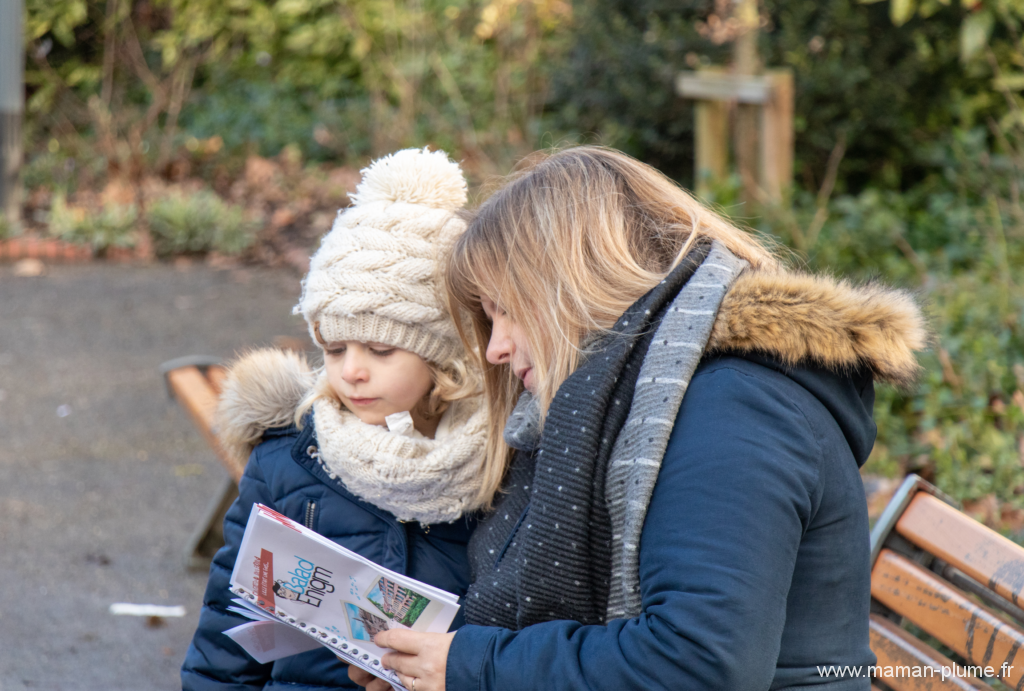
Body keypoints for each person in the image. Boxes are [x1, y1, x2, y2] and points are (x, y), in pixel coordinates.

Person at [348, 146, 926, 691]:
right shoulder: (657, 396)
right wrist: (435, 661)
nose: (496, 348)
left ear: (570, 287)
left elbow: (700, 664)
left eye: (506, 311)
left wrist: (476, 669)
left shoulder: (737, 408)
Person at [181, 148, 500, 691]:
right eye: (333, 347)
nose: (351, 371)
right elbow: (228, 632)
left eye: (380, 349)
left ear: (445, 354)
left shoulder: (498, 466)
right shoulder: (289, 458)